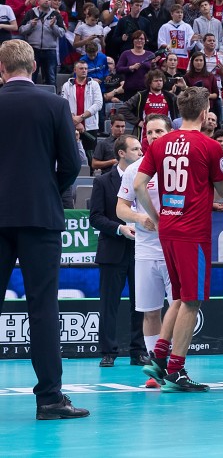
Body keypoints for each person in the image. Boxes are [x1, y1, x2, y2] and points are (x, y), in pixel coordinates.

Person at [0, 40, 87, 420]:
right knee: (43, 308)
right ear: (34, 67)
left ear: (1, 69)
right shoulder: (55, 104)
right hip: (41, 216)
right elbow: (71, 163)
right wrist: (49, 189)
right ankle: (50, 398)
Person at [134, 88, 223, 391]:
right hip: (193, 232)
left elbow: (139, 185)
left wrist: (158, 215)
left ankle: (159, 356)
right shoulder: (210, 146)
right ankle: (176, 369)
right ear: (205, 114)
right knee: (192, 301)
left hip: (169, 230)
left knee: (180, 296)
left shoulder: (160, 143)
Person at [116, 114, 176, 390]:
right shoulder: (135, 169)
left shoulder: (179, 166)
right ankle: (155, 367)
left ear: (169, 132)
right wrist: (140, 219)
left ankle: (175, 365)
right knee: (151, 312)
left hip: (176, 250)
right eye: (149, 132)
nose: (153, 136)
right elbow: (121, 208)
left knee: (179, 308)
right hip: (146, 251)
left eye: (159, 131)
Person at [89, 134, 146, 367]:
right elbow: (95, 217)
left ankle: (138, 350)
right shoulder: (103, 182)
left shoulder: (146, 179)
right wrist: (119, 228)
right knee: (109, 303)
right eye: (135, 149)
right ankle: (108, 351)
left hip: (141, 249)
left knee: (140, 303)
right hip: (112, 250)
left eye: (141, 149)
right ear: (121, 153)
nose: (141, 153)